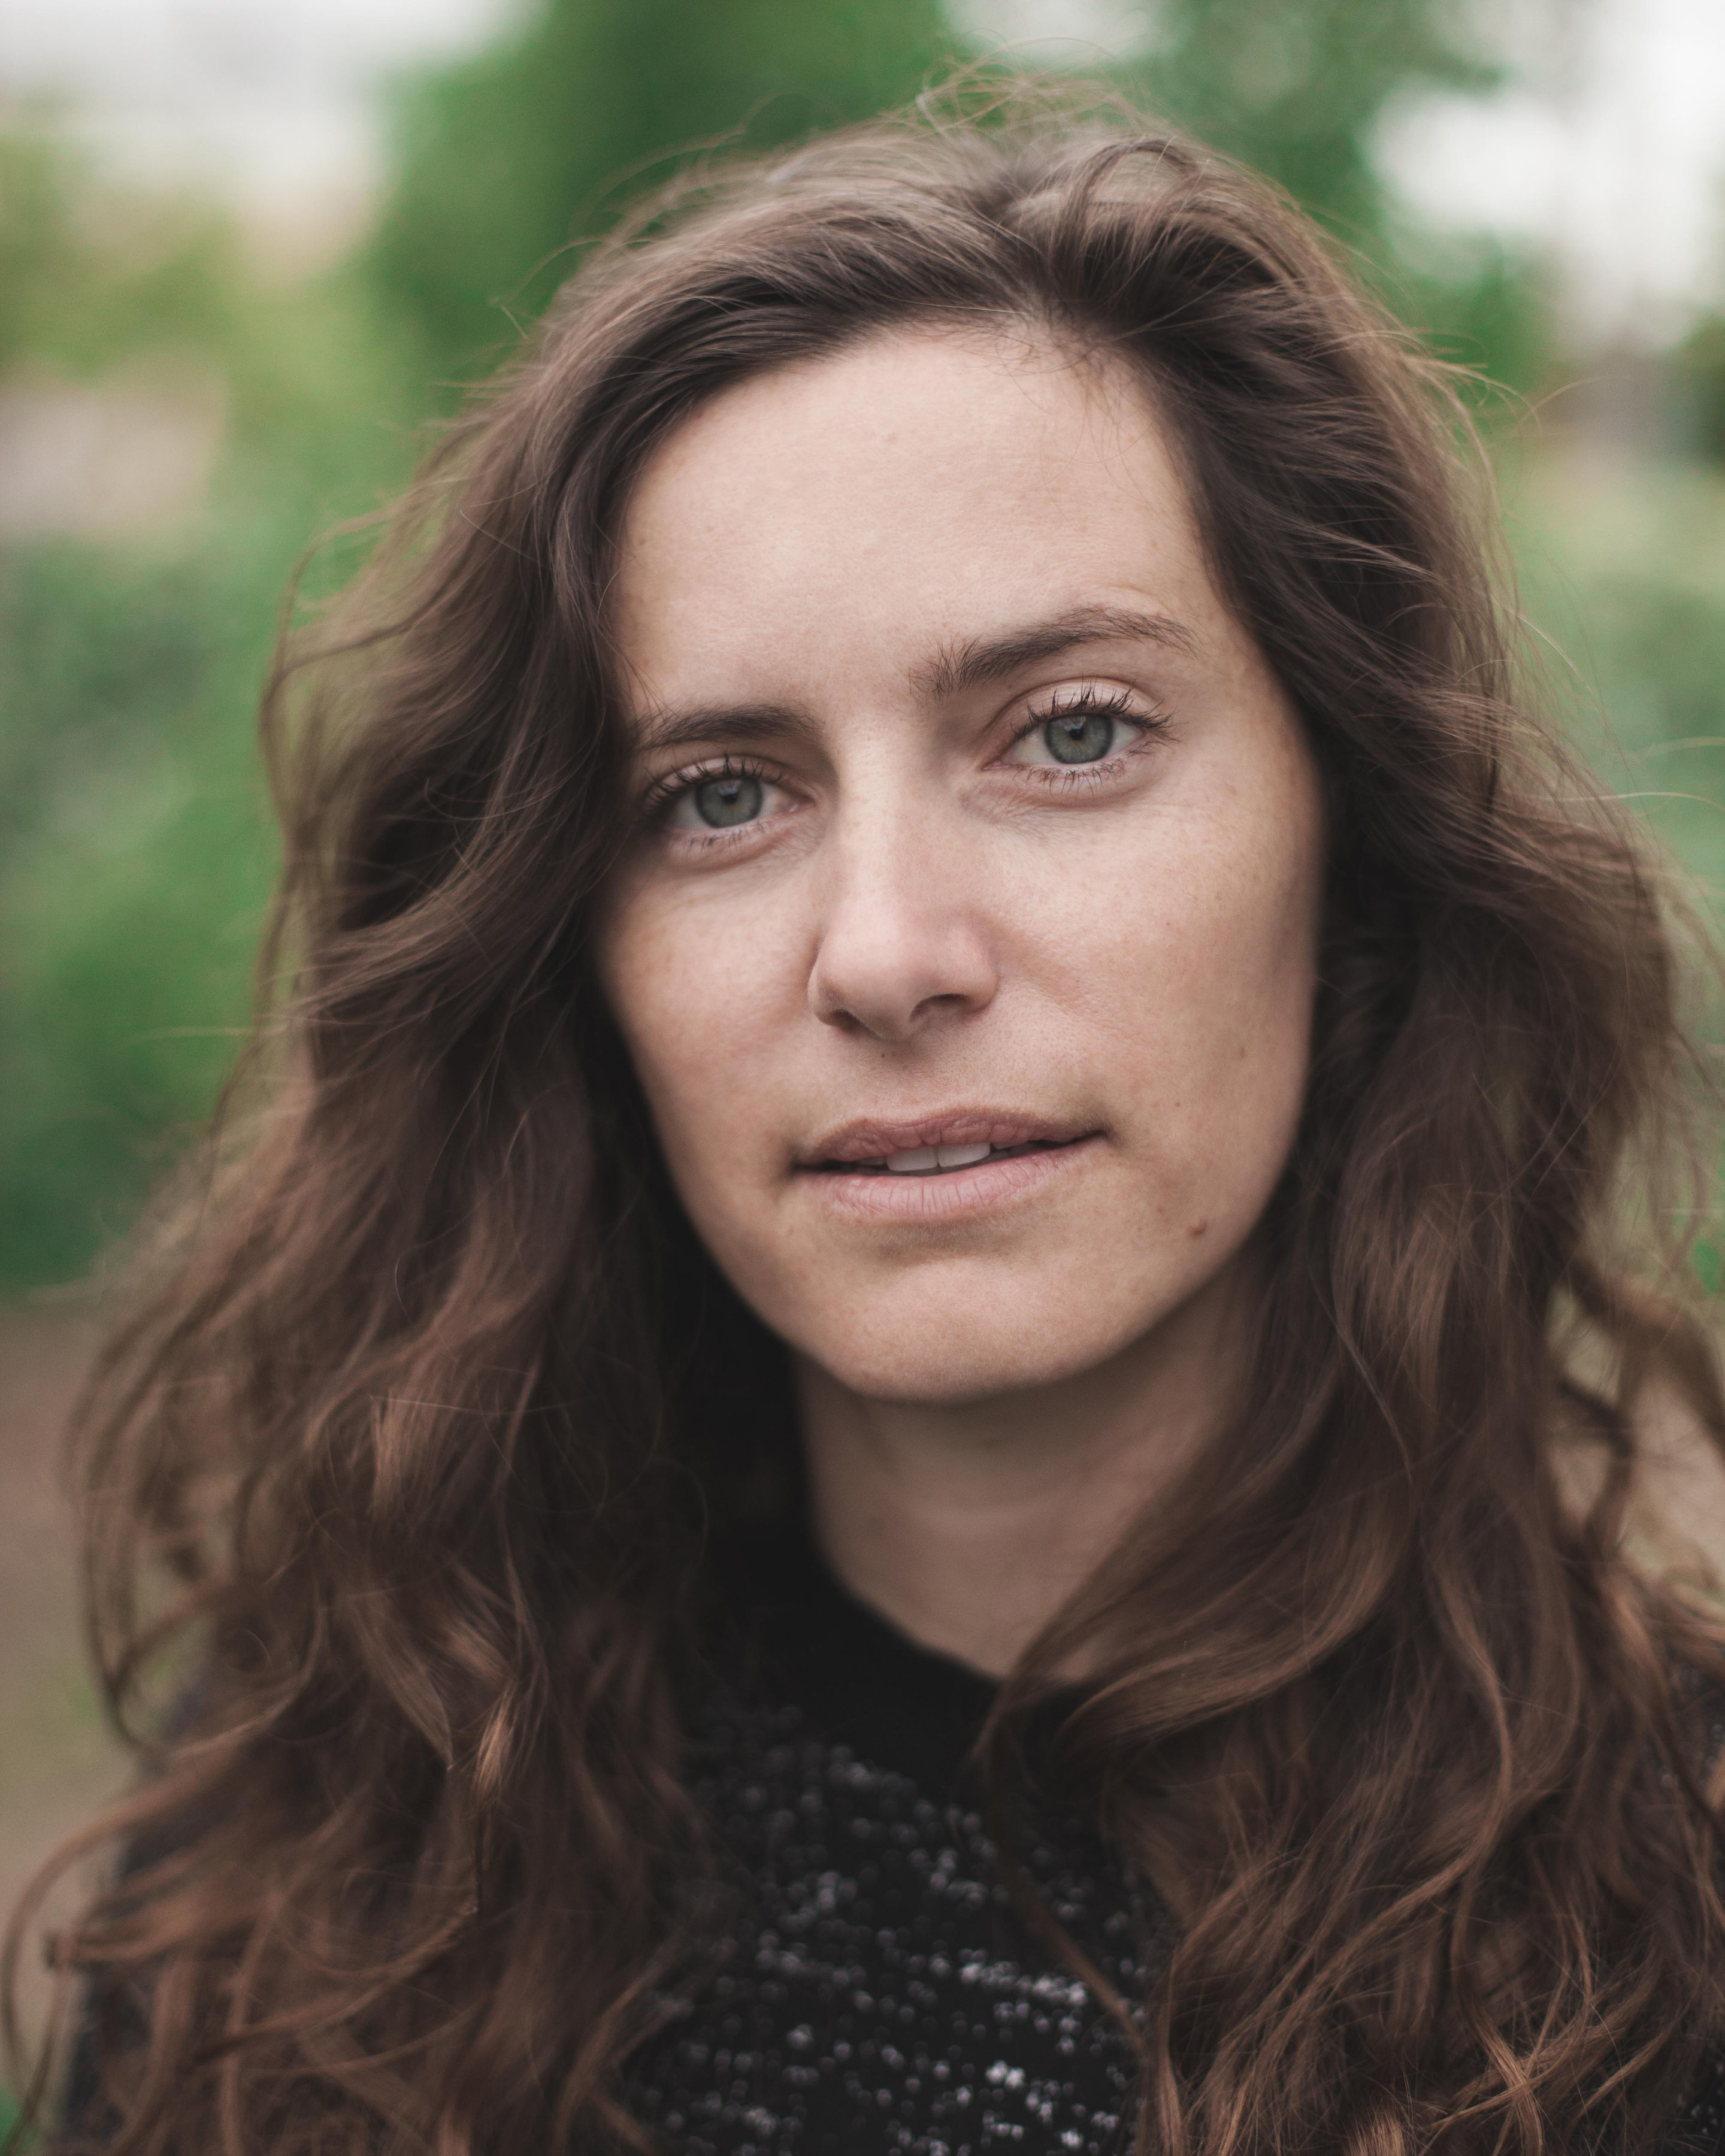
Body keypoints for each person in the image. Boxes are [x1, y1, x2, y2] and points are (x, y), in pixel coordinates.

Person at [19, 90, 1725, 2156]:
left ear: (1353, 838)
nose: (887, 953)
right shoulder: (338, 1856)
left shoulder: (1680, 1916)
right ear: (575, 946)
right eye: (721, 795)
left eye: (1070, 735)